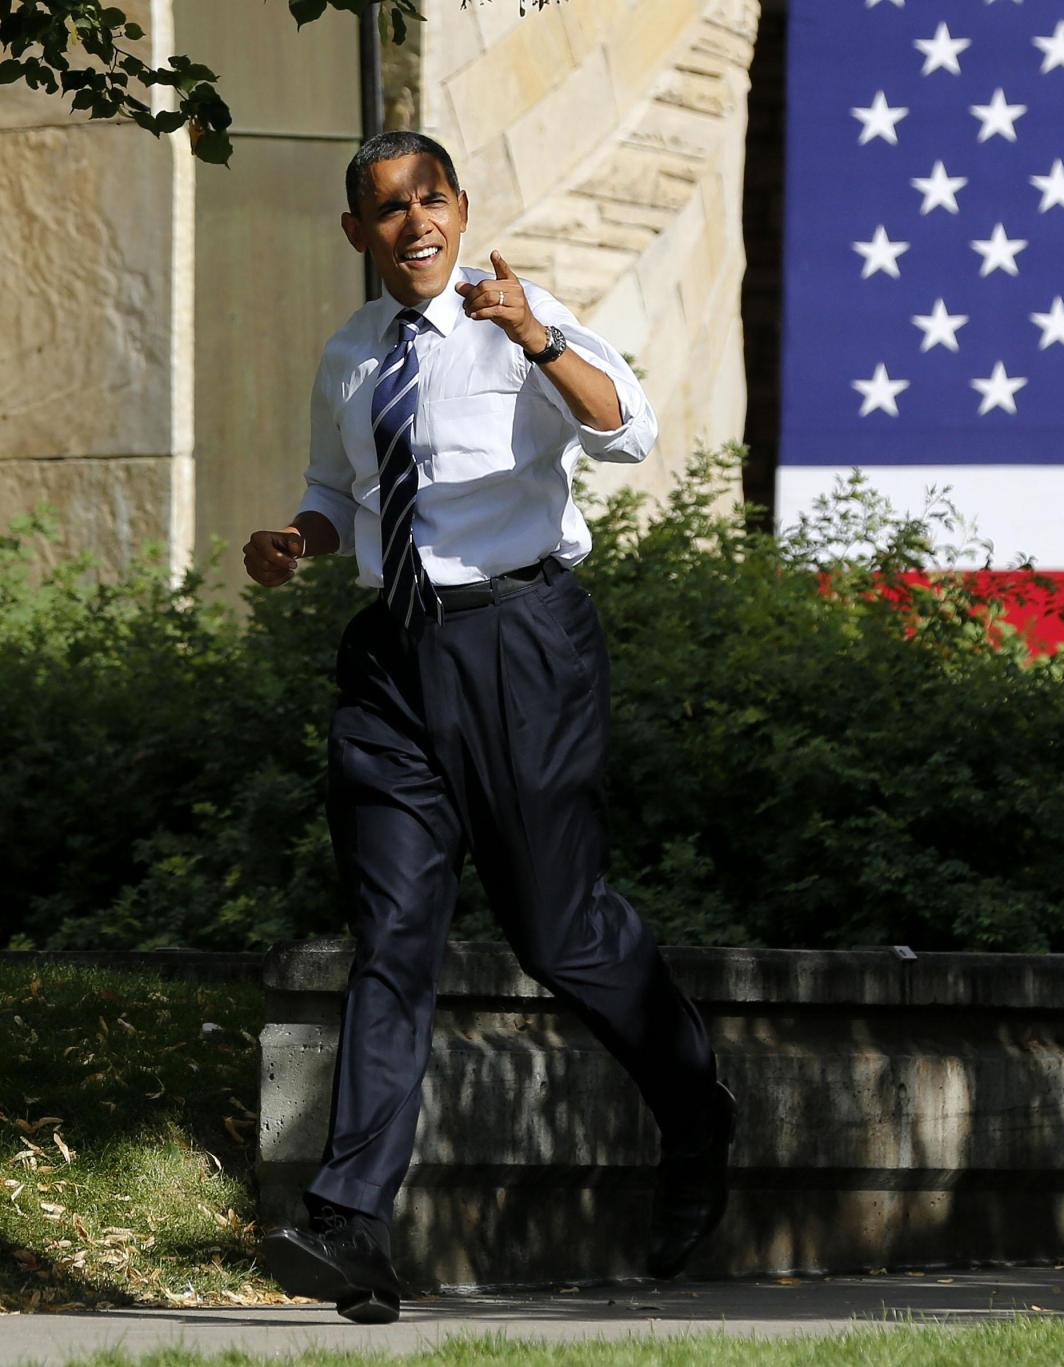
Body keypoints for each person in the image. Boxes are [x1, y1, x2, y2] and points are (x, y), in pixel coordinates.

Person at [242, 130, 733, 1324]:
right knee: (392, 934)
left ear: (458, 209)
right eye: (385, 209)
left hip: (523, 645)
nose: (412, 223)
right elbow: (332, 488)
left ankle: (695, 1111)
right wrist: (297, 542)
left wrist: (537, 338)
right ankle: (350, 1221)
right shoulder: (351, 354)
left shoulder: (520, 314)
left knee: (559, 932)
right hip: (392, 666)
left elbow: (628, 430)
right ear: (356, 234)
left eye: (429, 199)